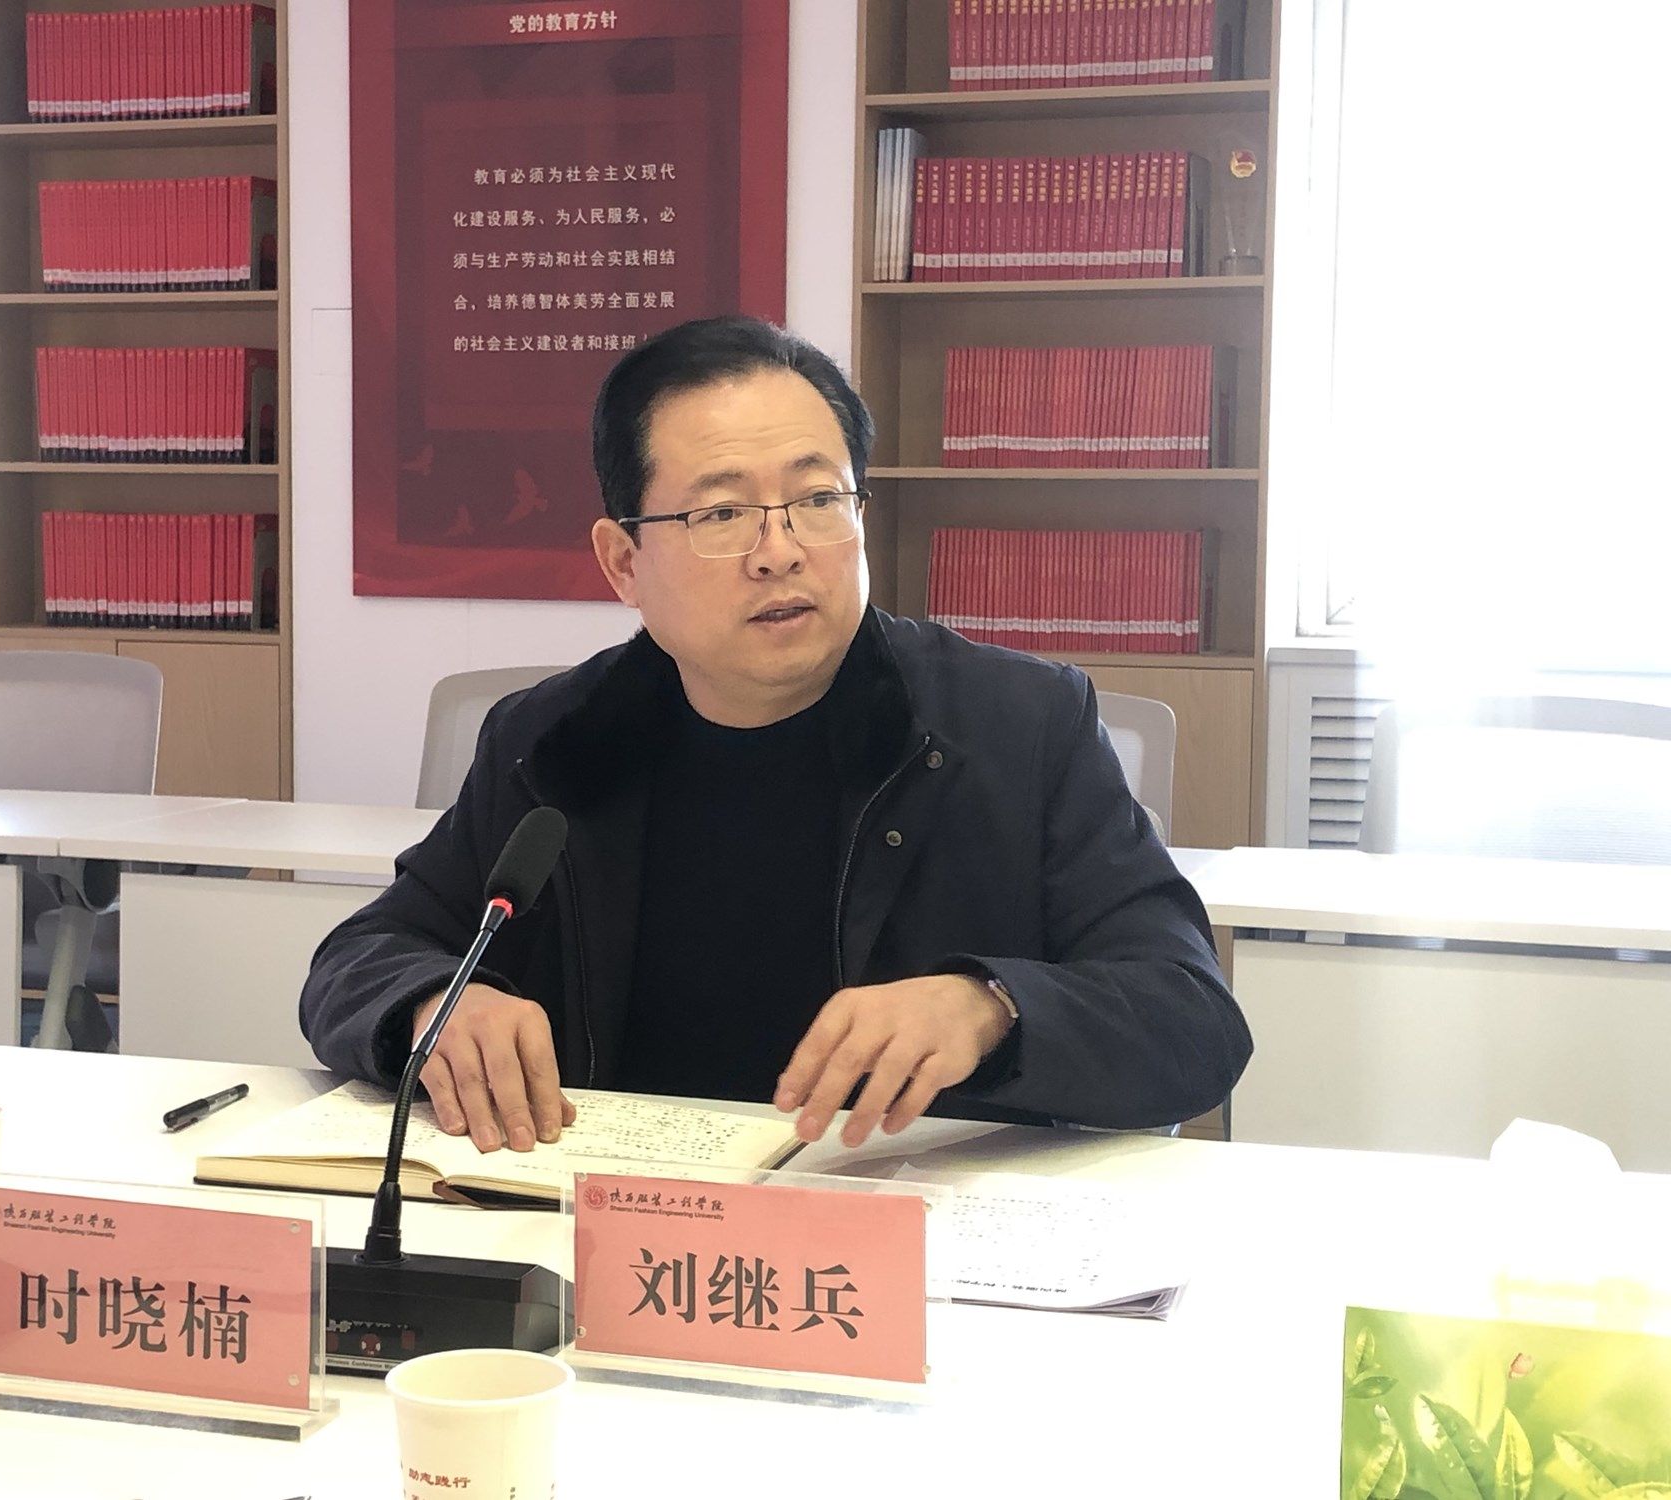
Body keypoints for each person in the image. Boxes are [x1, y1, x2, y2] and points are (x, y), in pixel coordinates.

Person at [300, 315, 1250, 1154]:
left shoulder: (1019, 725)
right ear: (624, 562)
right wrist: (432, 1002)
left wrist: (991, 1005)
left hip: (911, 1230)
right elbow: (362, 956)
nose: (781, 551)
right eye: (722, 514)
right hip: (612, 1223)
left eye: (818, 500)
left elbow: (1191, 1019)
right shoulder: (550, 741)